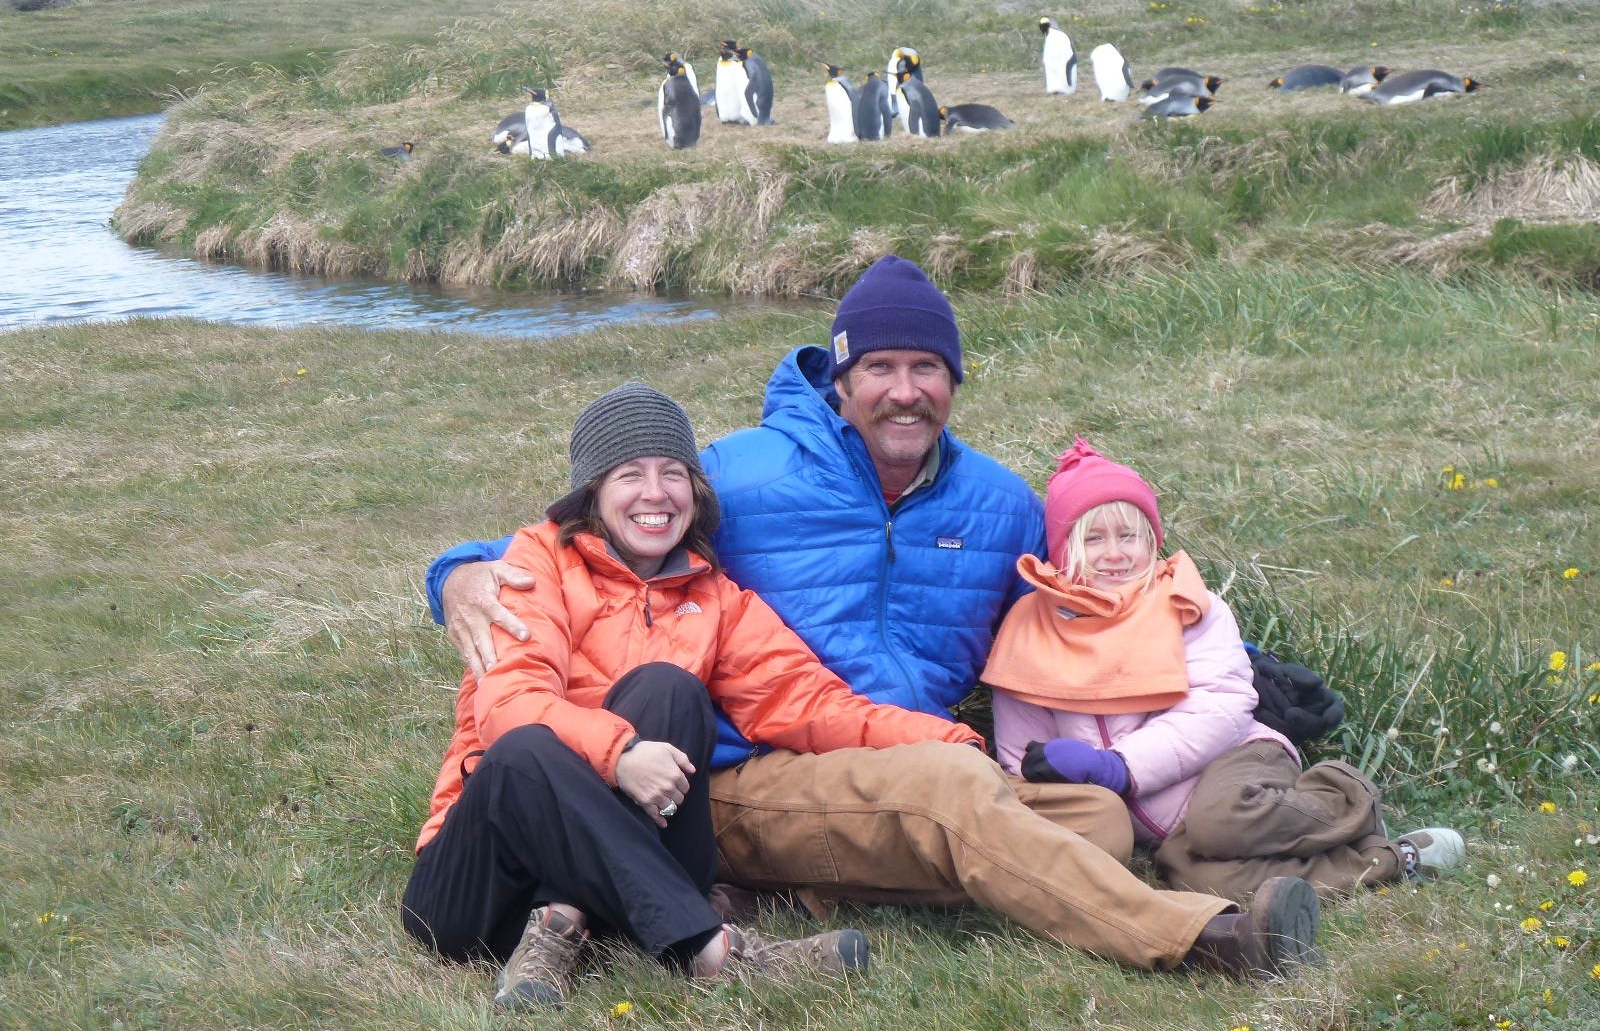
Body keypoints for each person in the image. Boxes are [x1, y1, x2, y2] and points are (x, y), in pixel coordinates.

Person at [427, 255, 1321, 976]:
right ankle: (1199, 938)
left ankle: (800, 883)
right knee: (949, 797)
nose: (904, 390)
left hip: (866, 743)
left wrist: (1235, 660)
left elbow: (1074, 607)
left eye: (925, 367)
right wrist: (457, 572)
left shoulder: (994, 508)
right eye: (880, 368)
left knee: (1093, 820)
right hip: (735, 778)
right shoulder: (745, 476)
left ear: (954, 382)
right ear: (842, 382)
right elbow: (579, 541)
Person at [401, 381, 989, 1011]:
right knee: (519, 752)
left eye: (673, 473)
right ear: (593, 492)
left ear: (695, 491)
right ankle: (709, 949)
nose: (655, 493)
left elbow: (809, 703)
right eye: (630, 473)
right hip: (475, 890)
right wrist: (621, 753)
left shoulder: (713, 597)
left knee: (670, 690)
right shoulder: (534, 563)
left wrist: (957, 738)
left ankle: (561, 923)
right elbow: (507, 702)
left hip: (621, 888)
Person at [982, 438, 1466, 902]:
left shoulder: (1189, 605)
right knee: (1196, 879)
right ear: (1064, 547)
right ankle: (1390, 860)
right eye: (1093, 538)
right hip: (1164, 825)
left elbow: (1221, 707)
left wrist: (1120, 767)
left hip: (1232, 761)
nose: (1114, 553)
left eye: (1130, 535)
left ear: (1153, 539)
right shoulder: (1030, 629)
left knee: (1223, 820)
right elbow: (1023, 756)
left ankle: (1345, 800)